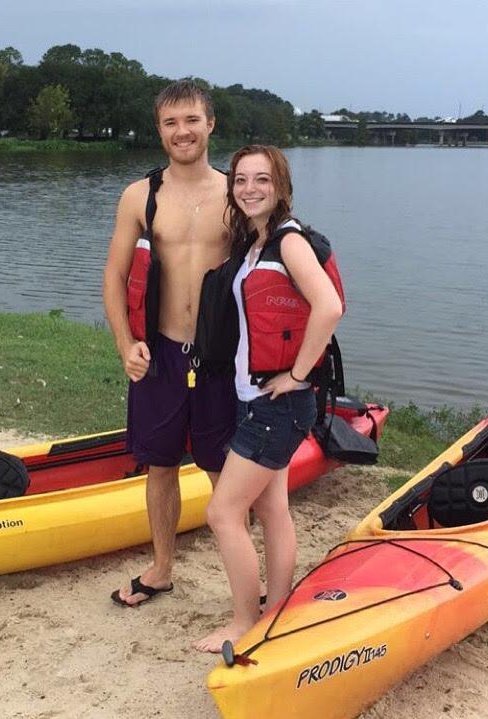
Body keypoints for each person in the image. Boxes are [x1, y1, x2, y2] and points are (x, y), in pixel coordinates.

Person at [194, 145, 343, 653]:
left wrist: (298, 374)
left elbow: (328, 306)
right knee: (272, 508)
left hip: (276, 405)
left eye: (262, 179)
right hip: (253, 397)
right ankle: (277, 607)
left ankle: (243, 622)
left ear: (280, 186)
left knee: (222, 514)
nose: (250, 188)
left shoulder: (288, 240)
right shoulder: (254, 244)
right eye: (240, 180)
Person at [103, 81, 236, 607]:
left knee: (223, 468)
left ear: (211, 125)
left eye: (191, 120)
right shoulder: (141, 196)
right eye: (170, 123)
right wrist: (126, 345)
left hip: (220, 357)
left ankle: (241, 582)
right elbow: (113, 279)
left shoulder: (236, 193)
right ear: (159, 130)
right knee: (159, 466)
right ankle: (160, 569)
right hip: (160, 352)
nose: (182, 132)